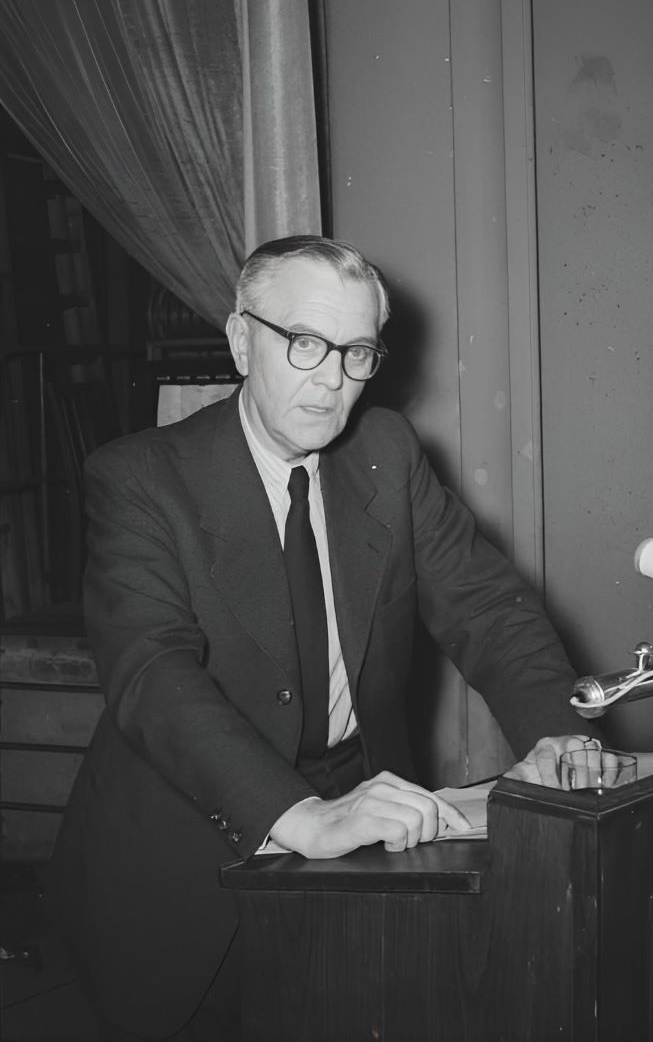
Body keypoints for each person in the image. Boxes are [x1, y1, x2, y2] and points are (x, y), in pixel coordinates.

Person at [52, 234, 601, 1041]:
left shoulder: (386, 452)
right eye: (304, 343)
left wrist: (557, 732)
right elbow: (152, 673)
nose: (331, 380)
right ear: (242, 339)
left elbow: (485, 605)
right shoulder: (139, 478)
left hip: (363, 840)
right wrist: (299, 815)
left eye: (356, 352)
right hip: (186, 850)